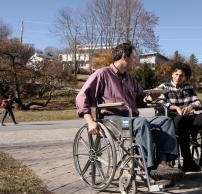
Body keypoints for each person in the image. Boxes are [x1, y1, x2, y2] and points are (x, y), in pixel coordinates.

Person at [76, 42, 182, 179]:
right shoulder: (102, 74)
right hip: (114, 122)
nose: (135, 61)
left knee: (165, 121)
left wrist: (150, 97)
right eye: (133, 57)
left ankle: (162, 164)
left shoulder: (130, 79)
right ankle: (149, 168)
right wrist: (90, 121)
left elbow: (141, 99)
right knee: (141, 123)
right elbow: (82, 96)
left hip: (132, 119)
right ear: (124, 57)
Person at [157, 61, 202, 171]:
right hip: (172, 118)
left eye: (181, 75)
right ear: (172, 74)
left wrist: (192, 106)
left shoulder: (188, 87)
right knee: (181, 121)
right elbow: (160, 102)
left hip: (188, 116)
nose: (178, 77)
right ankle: (188, 161)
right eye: (176, 74)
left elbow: (198, 101)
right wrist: (175, 107)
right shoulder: (164, 86)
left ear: (185, 77)